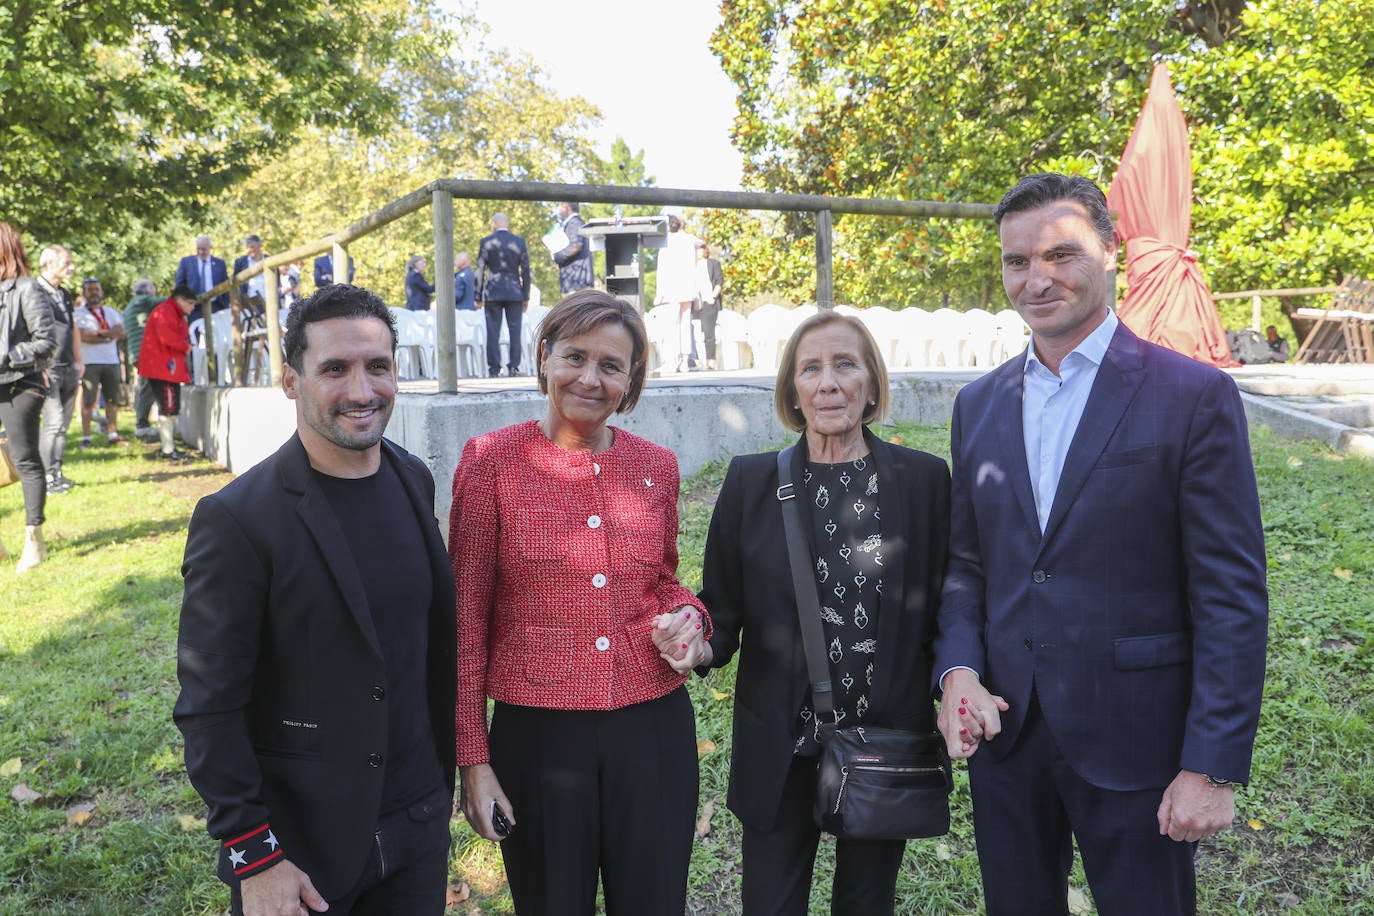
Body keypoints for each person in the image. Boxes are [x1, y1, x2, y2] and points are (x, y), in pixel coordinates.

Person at [932, 173, 1268, 916]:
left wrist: (1210, 767)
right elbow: (966, 565)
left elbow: (1231, 595)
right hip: (1009, 738)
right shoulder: (978, 405)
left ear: (1111, 253)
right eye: (1017, 261)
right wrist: (957, 669)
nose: (1037, 278)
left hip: (1137, 740)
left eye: (1061, 254)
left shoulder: (1192, 397)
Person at [175, 284, 457, 916]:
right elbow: (208, 706)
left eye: (377, 366)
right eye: (335, 369)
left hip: (418, 823)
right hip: (302, 849)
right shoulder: (237, 519)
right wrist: (257, 856)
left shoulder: (413, 478)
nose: (362, 391)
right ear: (290, 381)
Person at [450, 288, 709, 915]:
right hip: (538, 738)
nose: (590, 379)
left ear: (631, 379)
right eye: (575, 356)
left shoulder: (658, 467)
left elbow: (665, 580)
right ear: (544, 357)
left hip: (652, 730)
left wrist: (691, 620)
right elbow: (465, 621)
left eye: (611, 365)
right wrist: (473, 761)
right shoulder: (490, 463)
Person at [696, 311, 951, 914]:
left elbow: (946, 604)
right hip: (779, 746)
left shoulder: (923, 481)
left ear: (870, 382)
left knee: (867, 903)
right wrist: (697, 641)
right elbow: (720, 612)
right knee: (771, 903)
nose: (828, 382)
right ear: (792, 388)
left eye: (845, 365)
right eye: (810, 368)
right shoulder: (750, 481)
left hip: (883, 742)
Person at [0, 222, 58, 572]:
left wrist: (7, 356)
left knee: (25, 459)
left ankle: (34, 540)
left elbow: (46, 341)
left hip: (21, 383)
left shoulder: (26, 289)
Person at [35, 245, 84, 493]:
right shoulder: (34, 291)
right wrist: (39, 365)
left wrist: (79, 359)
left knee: (63, 425)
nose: (71, 267)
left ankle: (56, 472)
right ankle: (45, 478)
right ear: (49, 263)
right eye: (66, 262)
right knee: (52, 423)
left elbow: (72, 326)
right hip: (47, 368)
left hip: (68, 367)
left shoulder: (64, 293)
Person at [137, 285, 197, 461]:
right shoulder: (165, 312)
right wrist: (185, 346)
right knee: (168, 407)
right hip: (162, 368)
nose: (192, 308)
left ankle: (169, 447)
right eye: (190, 303)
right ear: (180, 300)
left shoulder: (174, 313)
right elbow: (166, 336)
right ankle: (168, 450)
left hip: (167, 368)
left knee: (170, 407)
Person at [474, 212, 531, 377]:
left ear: (494, 224)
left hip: (492, 291)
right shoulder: (519, 242)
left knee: (492, 331)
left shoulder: (486, 242)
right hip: (514, 292)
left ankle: (494, 368)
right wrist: (525, 295)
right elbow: (526, 271)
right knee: (515, 330)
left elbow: (480, 270)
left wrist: (477, 296)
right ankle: (513, 366)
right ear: (508, 224)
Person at [74, 278, 127, 448]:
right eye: (90, 290)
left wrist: (99, 334)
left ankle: (113, 434)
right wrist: (108, 334)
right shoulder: (79, 313)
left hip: (111, 360)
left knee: (112, 399)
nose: (94, 293)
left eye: (97, 289)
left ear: (101, 292)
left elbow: (120, 331)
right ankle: (86, 437)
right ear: (84, 293)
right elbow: (83, 335)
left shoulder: (110, 312)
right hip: (90, 361)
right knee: (89, 400)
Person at [653, 208, 702, 372]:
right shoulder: (688, 240)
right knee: (685, 323)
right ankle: (685, 360)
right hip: (687, 287)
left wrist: (659, 293)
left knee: (672, 324)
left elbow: (663, 269)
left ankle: (672, 360)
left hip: (672, 288)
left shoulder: (667, 243)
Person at [122, 278, 161, 441]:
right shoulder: (143, 300)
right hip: (145, 352)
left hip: (138, 352)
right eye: (153, 287)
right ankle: (142, 426)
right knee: (147, 388)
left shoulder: (133, 303)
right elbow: (168, 302)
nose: (155, 291)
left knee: (145, 386)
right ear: (146, 290)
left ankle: (142, 425)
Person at [174, 235, 229, 324]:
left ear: (210, 248)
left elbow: (226, 286)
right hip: (194, 308)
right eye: (198, 249)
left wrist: (225, 306)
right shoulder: (186, 262)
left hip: (216, 307)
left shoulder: (219, 264)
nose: (201, 252)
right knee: (196, 335)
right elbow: (179, 285)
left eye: (204, 249)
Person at [551, 202, 594, 294]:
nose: (559, 210)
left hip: (577, 279)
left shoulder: (574, 223)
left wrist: (556, 256)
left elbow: (575, 247)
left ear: (566, 207)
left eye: (560, 206)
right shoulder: (575, 223)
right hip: (577, 279)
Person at [698, 243, 725, 370]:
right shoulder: (691, 266)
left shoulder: (713, 263)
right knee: (695, 332)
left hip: (709, 302)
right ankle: (695, 360)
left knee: (709, 333)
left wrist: (713, 297)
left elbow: (720, 281)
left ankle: (711, 360)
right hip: (695, 302)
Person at [232, 234, 272, 314]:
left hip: (270, 302)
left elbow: (276, 281)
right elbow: (234, 282)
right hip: (251, 304)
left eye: (252, 247)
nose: (249, 250)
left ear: (259, 245)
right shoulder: (241, 262)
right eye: (247, 247)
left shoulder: (269, 259)